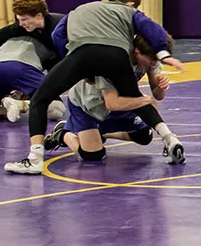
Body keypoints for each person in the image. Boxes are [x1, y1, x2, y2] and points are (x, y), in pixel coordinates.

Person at [5, 0, 184, 175]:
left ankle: (34, 159)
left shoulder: (81, 9)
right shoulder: (129, 13)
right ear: (130, 4)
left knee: (40, 99)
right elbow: (150, 26)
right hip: (113, 60)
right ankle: (169, 138)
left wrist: (72, 63)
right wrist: (163, 53)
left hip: (82, 54)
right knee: (134, 97)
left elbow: (57, 35)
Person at [40, 34, 178, 163]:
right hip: (87, 105)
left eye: (157, 60)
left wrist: (160, 87)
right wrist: (145, 100)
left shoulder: (150, 58)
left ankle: (100, 133)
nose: (154, 64)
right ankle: (63, 133)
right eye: (151, 60)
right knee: (92, 156)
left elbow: (158, 96)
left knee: (144, 136)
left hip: (119, 99)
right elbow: (111, 104)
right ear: (137, 51)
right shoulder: (115, 60)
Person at [0, 0, 64, 125]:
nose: (21, 24)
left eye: (24, 19)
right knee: (57, 110)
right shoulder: (20, 28)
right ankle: (21, 104)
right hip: (24, 66)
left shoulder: (59, 26)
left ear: (39, 15)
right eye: (19, 20)